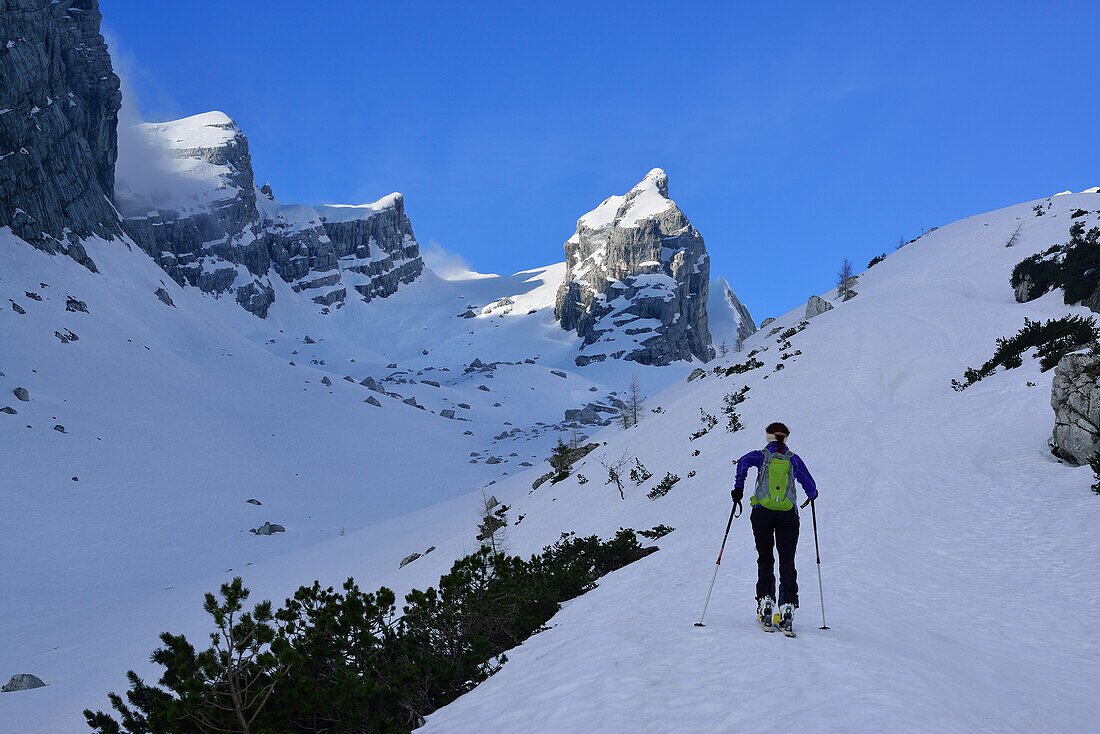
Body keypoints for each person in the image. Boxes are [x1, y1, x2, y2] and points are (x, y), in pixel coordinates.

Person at [732, 422, 817, 635]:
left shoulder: (760, 456)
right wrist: (812, 495)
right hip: (788, 514)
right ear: (785, 438)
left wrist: (738, 488)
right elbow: (810, 485)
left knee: (765, 557)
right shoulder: (792, 459)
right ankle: (787, 606)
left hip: (762, 513)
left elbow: (742, 462)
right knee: (787, 559)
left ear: (768, 436)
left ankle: (765, 601)